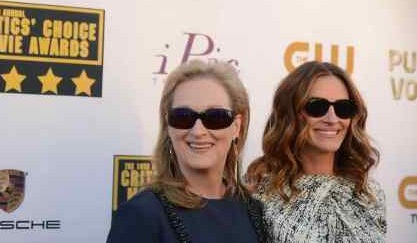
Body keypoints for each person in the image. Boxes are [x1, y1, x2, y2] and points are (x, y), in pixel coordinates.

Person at [107, 60, 266, 243]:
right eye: (183, 117)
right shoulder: (142, 215)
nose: (198, 132)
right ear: (168, 126)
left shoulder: (255, 211)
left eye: (215, 117)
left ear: (237, 126)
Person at [246, 61, 386, 242]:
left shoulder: (370, 194)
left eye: (343, 108)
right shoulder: (259, 193)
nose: (332, 119)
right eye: (317, 107)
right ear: (290, 114)